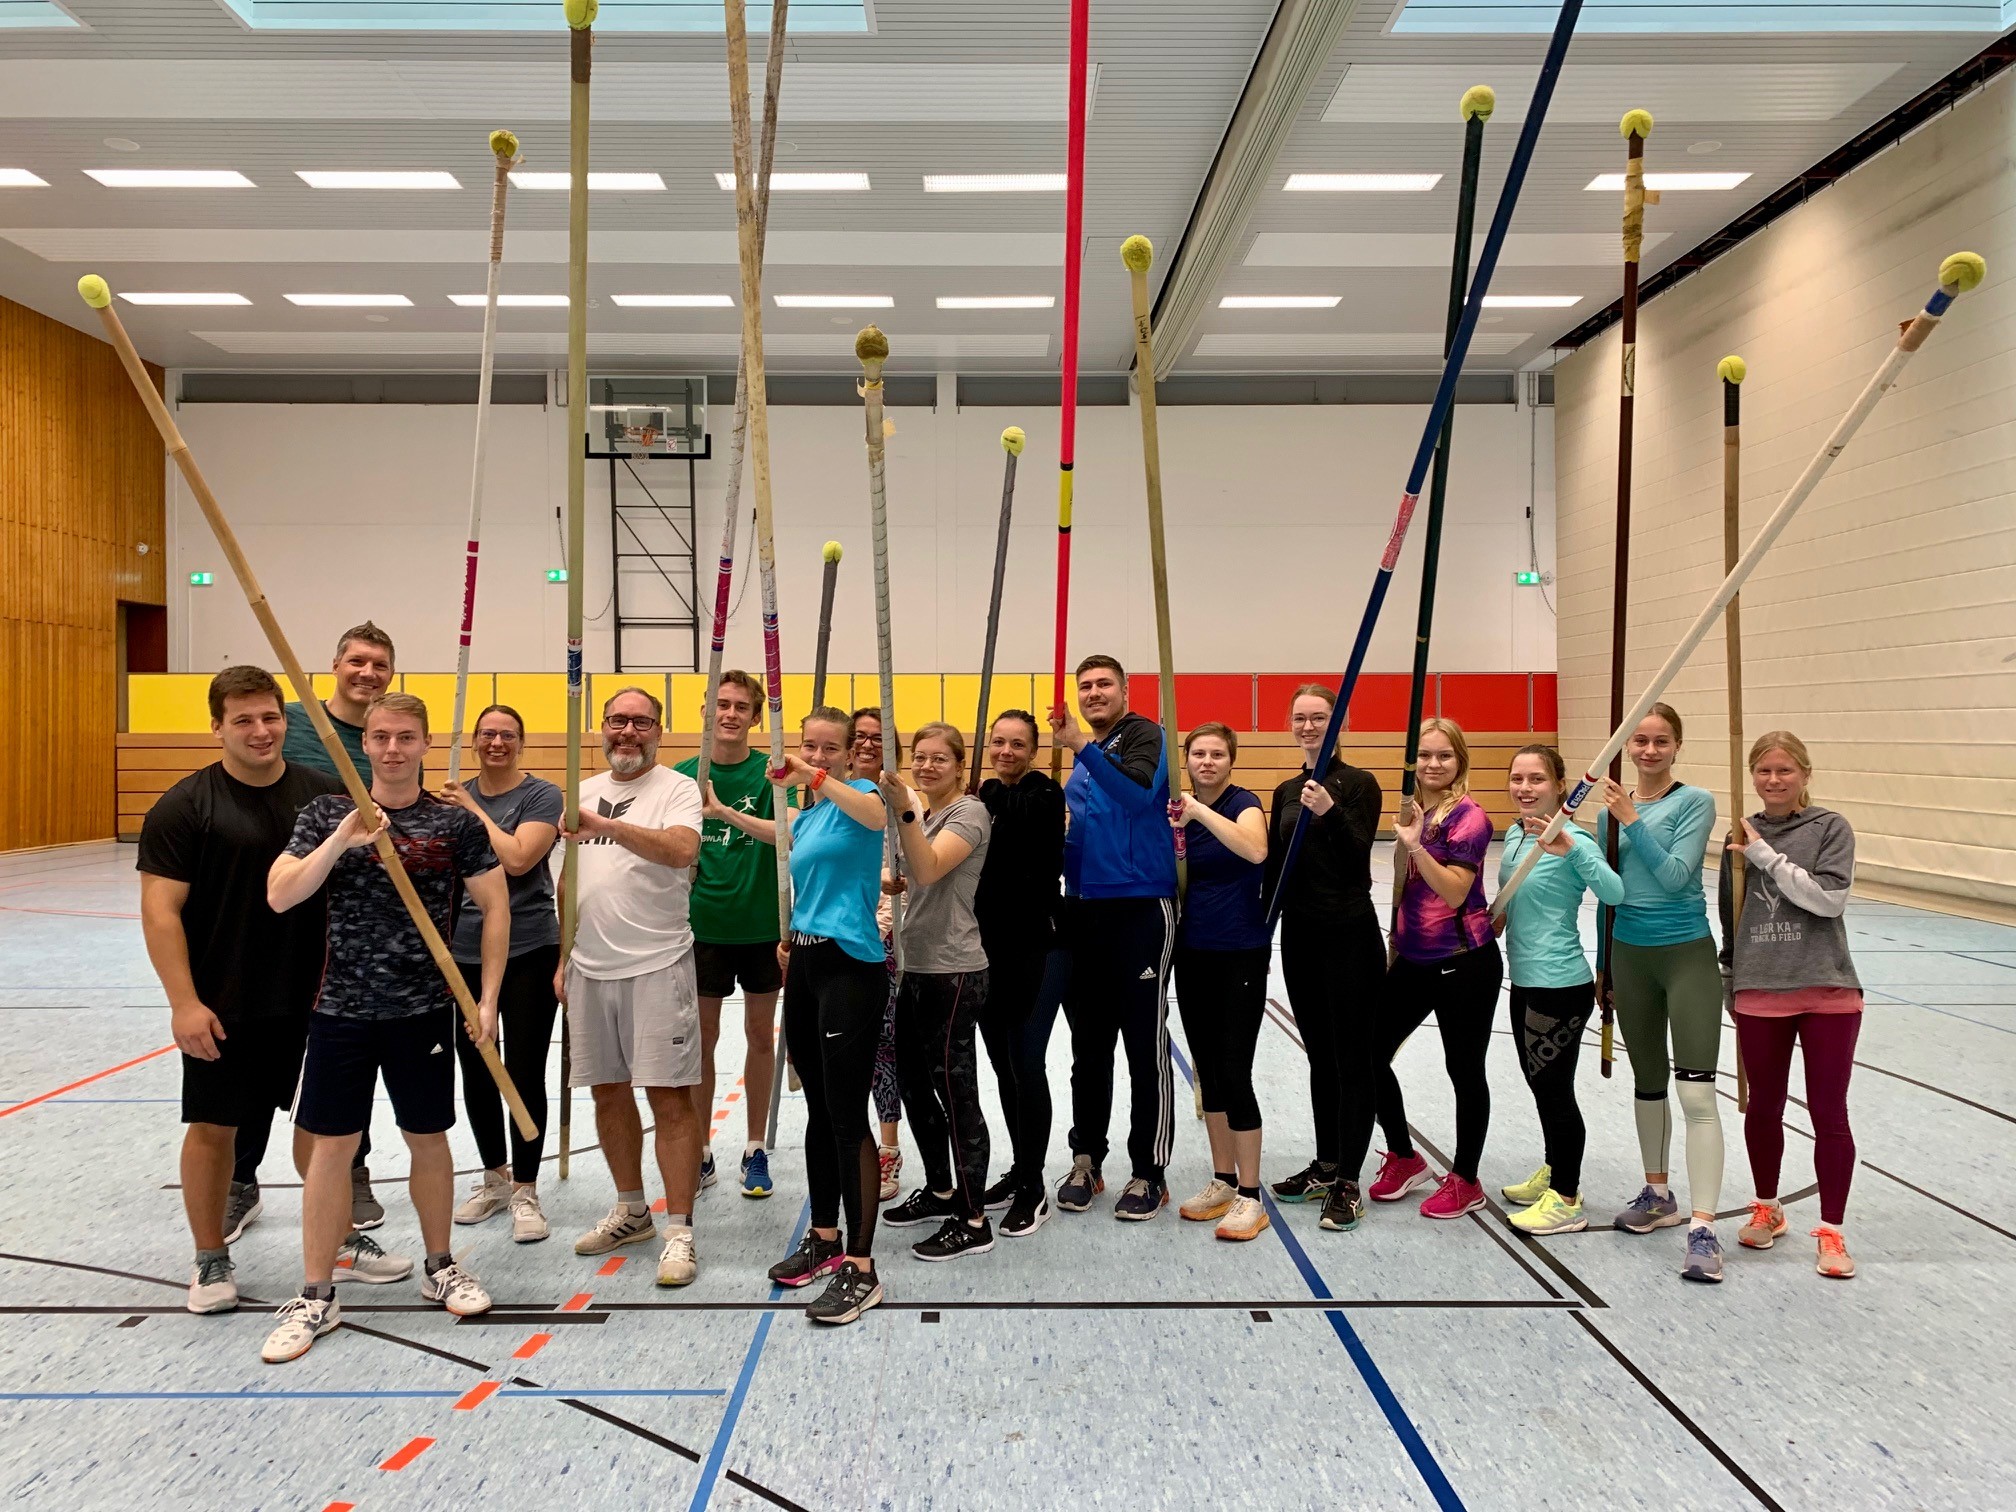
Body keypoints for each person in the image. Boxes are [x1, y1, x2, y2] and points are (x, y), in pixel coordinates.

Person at [261, 691, 504, 1364]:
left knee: (428, 1138)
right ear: (363, 744)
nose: (393, 749)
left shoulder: (451, 823)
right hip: (338, 1009)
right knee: (332, 1148)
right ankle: (316, 1293)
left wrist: (485, 1000)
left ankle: (440, 1266)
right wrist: (344, 838)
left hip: (422, 1010)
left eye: (405, 738)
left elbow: (495, 906)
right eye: (381, 737)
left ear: (424, 744)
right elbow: (281, 894)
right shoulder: (325, 813)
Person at [138, 667, 343, 1314]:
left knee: (327, 1126)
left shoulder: (323, 796)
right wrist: (184, 1003)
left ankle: (338, 1239)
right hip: (225, 999)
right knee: (213, 1126)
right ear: (217, 727)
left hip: (317, 994)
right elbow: (160, 912)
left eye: (270, 717)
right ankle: (209, 1257)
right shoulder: (185, 806)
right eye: (244, 720)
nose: (261, 731)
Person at [558, 687, 708, 1289]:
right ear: (602, 725)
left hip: (657, 964)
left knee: (669, 1099)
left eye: (641, 722)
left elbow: (681, 851)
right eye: (617, 720)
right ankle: (631, 1211)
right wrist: (564, 956)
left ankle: (679, 1230)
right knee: (607, 1093)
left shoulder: (677, 789)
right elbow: (568, 881)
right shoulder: (581, 790)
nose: (627, 731)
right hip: (589, 968)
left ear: (658, 731)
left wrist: (607, 827)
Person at [757, 707, 892, 1324]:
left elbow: (876, 818)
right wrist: (721, 812)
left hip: (850, 966)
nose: (817, 754)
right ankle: (825, 1237)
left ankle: (862, 1268)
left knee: (846, 1116)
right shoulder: (811, 814)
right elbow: (780, 834)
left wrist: (812, 776)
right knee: (817, 1108)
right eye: (809, 746)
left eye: (829, 747)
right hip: (807, 964)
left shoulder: (863, 794)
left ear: (848, 751)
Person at [1721, 732, 1863, 1280]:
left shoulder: (1830, 828)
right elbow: (1730, 915)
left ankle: (1832, 1230)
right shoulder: (1739, 834)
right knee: (1763, 1107)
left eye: (1785, 770)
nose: (1774, 780)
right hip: (1760, 989)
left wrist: (1765, 856)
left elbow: (1829, 900)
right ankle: (1767, 1207)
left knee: (1829, 1112)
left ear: (1805, 773)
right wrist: (1730, 980)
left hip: (1827, 990)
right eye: (1764, 771)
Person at [1594, 704, 1726, 1282]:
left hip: (1685, 956)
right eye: (1640, 740)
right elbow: (1607, 893)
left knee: (1695, 1094)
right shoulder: (1608, 812)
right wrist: (1604, 967)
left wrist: (1631, 821)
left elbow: (1674, 877)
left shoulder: (1695, 802)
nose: (1649, 750)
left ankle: (1704, 1228)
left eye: (1661, 741)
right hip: (1630, 957)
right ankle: (1657, 1195)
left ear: (1677, 746)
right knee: (1647, 1084)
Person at [276, 618, 397, 1232]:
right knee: (266, 1046)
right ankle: (241, 1177)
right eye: (357, 661)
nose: (367, 673)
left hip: (352, 918)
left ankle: (353, 1170)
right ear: (335, 665)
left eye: (379, 665)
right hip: (285, 898)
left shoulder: (385, 735)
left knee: (351, 1045)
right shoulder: (291, 722)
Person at [1047, 655, 1178, 1221]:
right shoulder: (1085, 760)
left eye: (1104, 684)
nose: (1094, 693)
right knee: (1089, 1047)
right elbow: (1078, 834)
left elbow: (1137, 796)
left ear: (1125, 690)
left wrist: (1079, 745)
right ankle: (1087, 1160)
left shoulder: (1145, 735)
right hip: (1085, 911)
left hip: (1140, 907)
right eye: (1085, 686)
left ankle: (1149, 1171)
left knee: (1144, 1047)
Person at [1360, 720, 1504, 1222]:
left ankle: (1466, 1179)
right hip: (1413, 960)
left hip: (1464, 963)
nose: (1433, 764)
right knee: (1369, 1054)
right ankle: (1404, 1156)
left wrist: (1417, 845)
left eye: (1444, 755)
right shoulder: (1414, 811)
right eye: (1424, 755)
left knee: (1464, 1070)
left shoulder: (1470, 817)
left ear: (1460, 760)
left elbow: (1456, 892)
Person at [1263, 684, 1385, 1233]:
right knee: (1319, 1056)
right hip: (1301, 935)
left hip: (1348, 935)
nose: (1309, 726)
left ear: (1342, 722)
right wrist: (1261, 931)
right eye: (1300, 718)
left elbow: (1358, 855)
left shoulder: (1359, 784)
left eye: (1319, 717)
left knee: (1352, 1059)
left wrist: (1330, 811)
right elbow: (1275, 868)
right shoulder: (1287, 789)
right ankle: (1327, 1163)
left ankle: (1349, 1182)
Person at [441, 703, 562, 1243]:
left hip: (530, 947)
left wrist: (470, 809)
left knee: (524, 1068)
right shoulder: (451, 796)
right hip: (464, 950)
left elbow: (517, 859)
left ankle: (525, 1189)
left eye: (507, 735)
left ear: (521, 743)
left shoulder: (541, 796)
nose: (497, 743)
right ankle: (495, 1176)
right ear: (473, 741)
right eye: (487, 734)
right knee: (476, 1066)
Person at [878, 723, 995, 1261]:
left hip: (954, 971)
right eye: (920, 757)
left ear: (959, 765)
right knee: (913, 1085)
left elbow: (927, 868)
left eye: (939, 759)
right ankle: (941, 1189)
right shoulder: (924, 816)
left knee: (956, 1092)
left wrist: (903, 810)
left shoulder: (968, 812)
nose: (927, 766)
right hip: (915, 967)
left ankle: (973, 1219)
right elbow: (914, 877)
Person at [1496, 743, 1623, 1235]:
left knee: (1554, 1090)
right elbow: (1519, 899)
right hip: (1523, 979)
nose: (1525, 788)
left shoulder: (1575, 838)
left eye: (1537, 779)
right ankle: (1554, 1169)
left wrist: (1572, 850)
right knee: (1539, 1084)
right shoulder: (1515, 833)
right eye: (1518, 778)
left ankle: (1567, 1198)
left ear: (1560, 786)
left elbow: (1614, 892)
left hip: (1560, 984)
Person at [680, 670, 782, 1199]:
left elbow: (788, 835)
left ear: (756, 717)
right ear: (705, 710)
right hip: (703, 929)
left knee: (760, 1037)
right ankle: (699, 1151)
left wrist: (721, 812)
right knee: (702, 1041)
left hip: (763, 927)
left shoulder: (771, 774)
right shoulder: (681, 777)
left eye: (742, 707)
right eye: (721, 704)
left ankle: (754, 1147)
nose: (730, 714)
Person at [1168, 723, 1271, 1242]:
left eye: (1217, 754)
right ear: (1185, 759)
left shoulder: (1243, 804)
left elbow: (1255, 851)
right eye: (1198, 753)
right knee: (1207, 1071)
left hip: (1239, 953)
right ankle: (1224, 1180)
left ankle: (1252, 1195)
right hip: (1193, 952)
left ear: (1231, 760)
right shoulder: (1174, 813)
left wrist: (1198, 812)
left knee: (1234, 1071)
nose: (1206, 761)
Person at [974, 711, 1068, 1239]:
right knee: (1003, 1066)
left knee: (1027, 1062)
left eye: (1017, 744)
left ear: (1033, 751)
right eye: (998, 742)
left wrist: (985, 792)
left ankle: (1034, 1187)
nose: (1006, 751)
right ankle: (1021, 1168)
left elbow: (1021, 821)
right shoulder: (982, 801)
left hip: (1038, 947)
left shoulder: (1043, 793)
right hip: (987, 949)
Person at [851, 707, 908, 1201]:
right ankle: (851, 1144)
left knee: (885, 1046)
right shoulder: (830, 796)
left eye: (878, 737)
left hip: (885, 938)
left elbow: (905, 869)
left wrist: (882, 925)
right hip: (837, 936)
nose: (868, 744)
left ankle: (889, 1149)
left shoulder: (901, 799)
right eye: (860, 736)